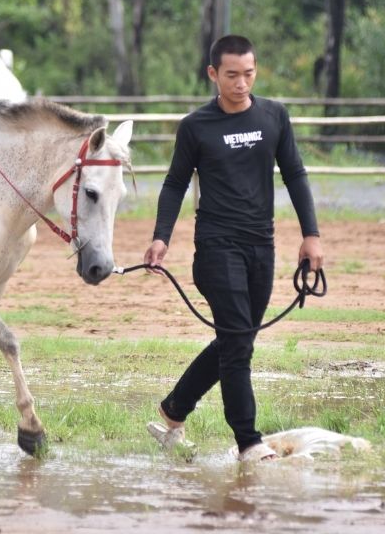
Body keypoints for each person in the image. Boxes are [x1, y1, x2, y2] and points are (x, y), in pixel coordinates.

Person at [143, 34, 324, 462]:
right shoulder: (195, 127)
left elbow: (295, 175)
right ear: (213, 75)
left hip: (261, 245)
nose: (241, 83)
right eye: (231, 75)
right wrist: (161, 236)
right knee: (238, 342)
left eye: (249, 73)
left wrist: (311, 234)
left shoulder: (274, 117)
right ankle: (248, 442)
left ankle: (173, 410)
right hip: (215, 247)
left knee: (235, 340)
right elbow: (174, 183)